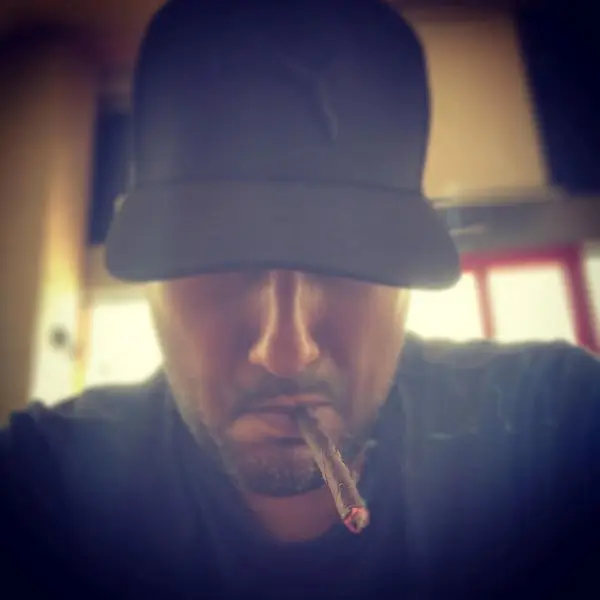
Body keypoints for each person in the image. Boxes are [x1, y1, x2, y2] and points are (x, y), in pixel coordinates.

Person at [2, 0, 599, 598]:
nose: (285, 352)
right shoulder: (43, 485)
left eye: (344, 262)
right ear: (152, 287)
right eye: (220, 261)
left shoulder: (552, 428)